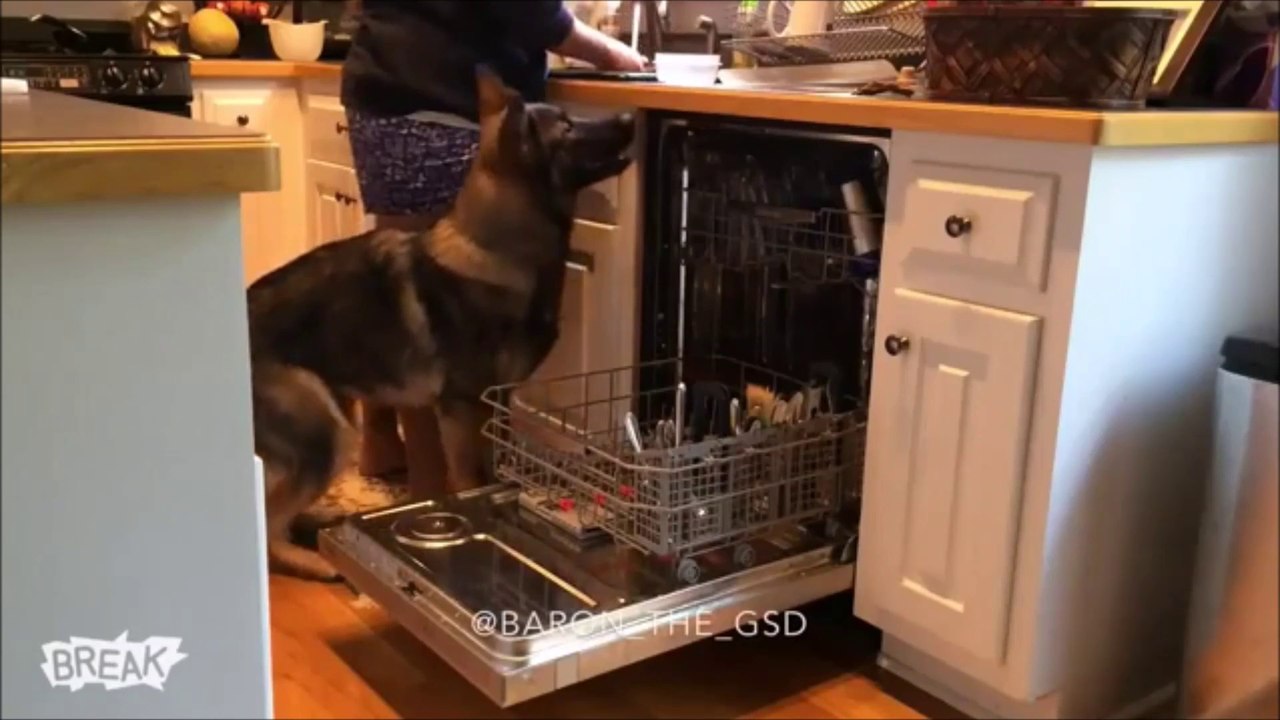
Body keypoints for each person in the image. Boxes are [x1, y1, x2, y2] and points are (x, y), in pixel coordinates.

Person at [341, 1, 647, 497]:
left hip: (388, 84)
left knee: (407, 290)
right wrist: (614, 54)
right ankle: (432, 497)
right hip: (439, 93)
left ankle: (384, 445)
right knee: (436, 317)